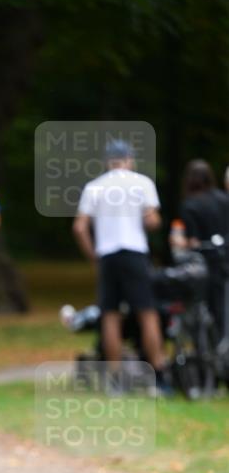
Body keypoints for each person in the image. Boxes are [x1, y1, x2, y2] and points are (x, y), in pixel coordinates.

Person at [73, 139, 169, 395]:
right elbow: (152, 221)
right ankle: (158, 374)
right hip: (134, 253)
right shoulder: (142, 183)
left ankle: (115, 379)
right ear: (130, 160)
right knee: (147, 313)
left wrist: (93, 255)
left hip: (107, 255)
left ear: (107, 161)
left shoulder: (94, 187)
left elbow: (80, 227)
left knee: (110, 317)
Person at [176, 159, 229, 338]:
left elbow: (193, 241)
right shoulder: (224, 199)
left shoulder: (190, 204)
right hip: (224, 259)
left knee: (204, 304)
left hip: (204, 263)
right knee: (222, 304)